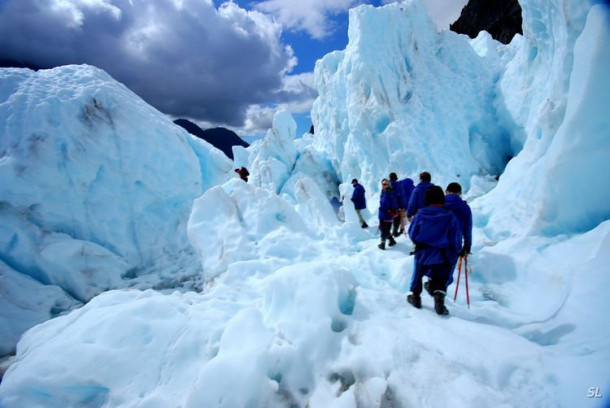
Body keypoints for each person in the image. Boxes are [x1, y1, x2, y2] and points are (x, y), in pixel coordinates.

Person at [407, 185, 462, 315]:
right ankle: (439, 302)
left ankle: (416, 297)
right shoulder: (450, 216)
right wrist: (456, 252)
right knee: (440, 279)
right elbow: (455, 238)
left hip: (423, 252)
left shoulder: (421, 214)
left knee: (418, 275)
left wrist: (420, 241)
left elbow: (412, 233)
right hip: (443, 254)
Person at [443, 182, 473, 288]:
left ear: (446, 191)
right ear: (459, 193)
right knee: (447, 273)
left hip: (438, 240)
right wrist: (467, 247)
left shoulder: (439, 204)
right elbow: (467, 229)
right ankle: (440, 294)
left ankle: (433, 286)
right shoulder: (465, 208)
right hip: (455, 244)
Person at [378, 178, 398, 250]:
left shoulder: (387, 193)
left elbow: (384, 204)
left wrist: (383, 209)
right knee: (386, 228)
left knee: (384, 229)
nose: (383, 185)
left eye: (385, 184)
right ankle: (392, 240)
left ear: (388, 185)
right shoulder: (386, 192)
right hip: (387, 214)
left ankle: (382, 244)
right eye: (382, 184)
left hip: (386, 213)